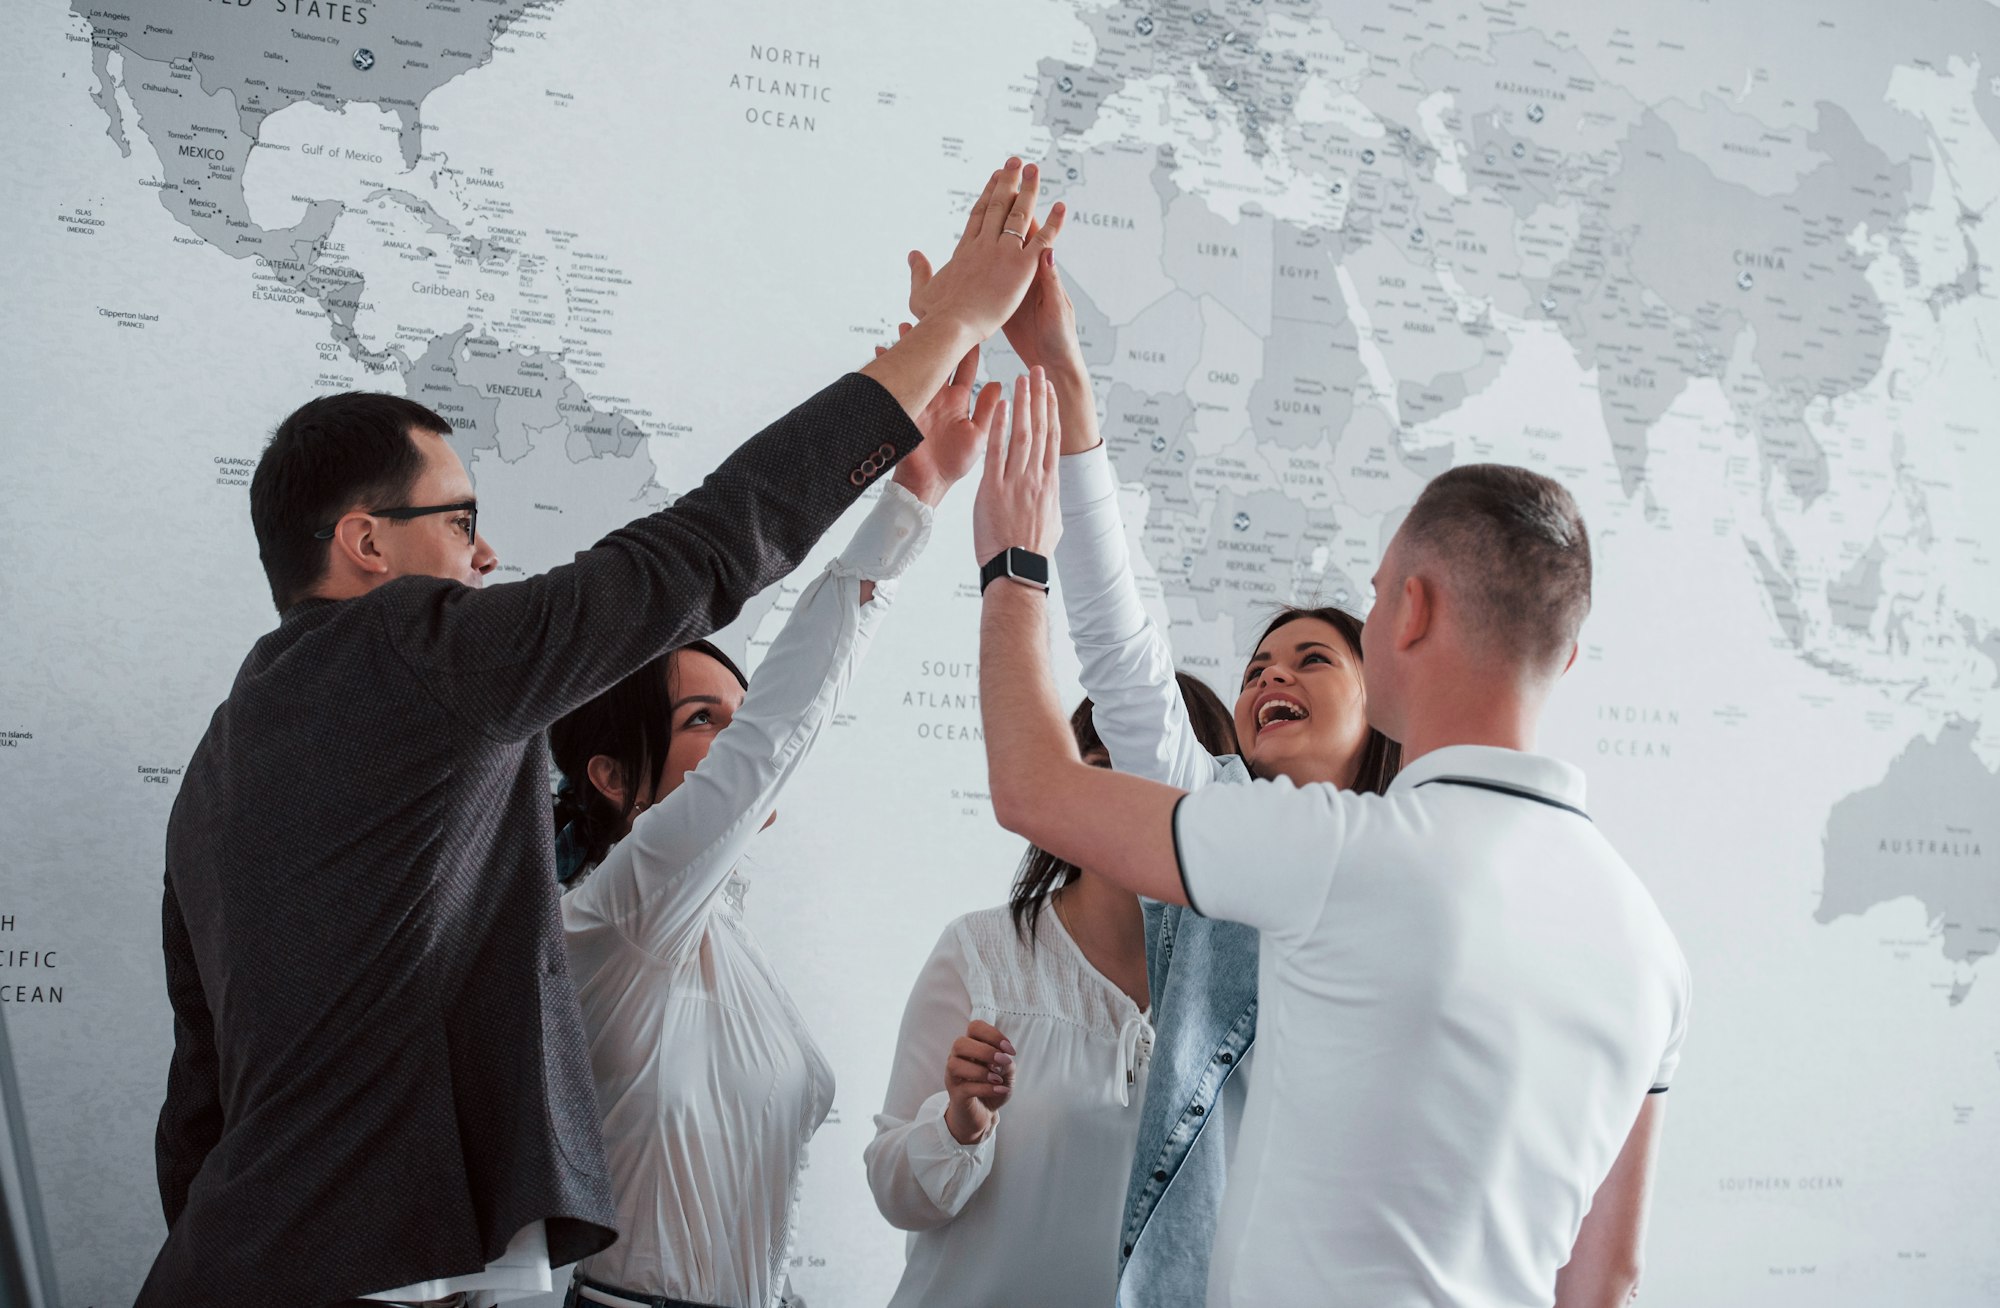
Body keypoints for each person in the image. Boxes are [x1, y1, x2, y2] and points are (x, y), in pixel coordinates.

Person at [146, 156, 1066, 1308]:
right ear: (366, 544)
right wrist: (948, 334)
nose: (484, 557)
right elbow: (697, 549)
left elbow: (200, 1100)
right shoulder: (417, 651)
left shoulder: (216, 767)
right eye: (461, 521)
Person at [968, 384, 1691, 1308]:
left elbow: (1035, 787)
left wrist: (1012, 565)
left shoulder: (1340, 855)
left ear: (1411, 613)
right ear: (1567, 656)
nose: (1275, 674)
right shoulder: (1653, 950)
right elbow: (1607, 1282)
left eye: (1378, 595)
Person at [550, 334, 994, 1308]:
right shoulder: (619, 915)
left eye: (735, 713)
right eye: (706, 721)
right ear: (613, 777)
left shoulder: (712, 934)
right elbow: (782, 731)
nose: (743, 739)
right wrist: (908, 504)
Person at [995, 254, 1398, 1303]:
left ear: (1381, 709)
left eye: (1313, 660)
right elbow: (1124, 656)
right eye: (1259, 664)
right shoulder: (1216, 820)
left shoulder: (1422, 866)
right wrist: (1064, 381)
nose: (1272, 675)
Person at [864, 672, 1236, 1308]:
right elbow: (895, 1191)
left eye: (1164, 771)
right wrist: (961, 1122)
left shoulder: (1243, 995)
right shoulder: (981, 953)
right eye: (1102, 766)